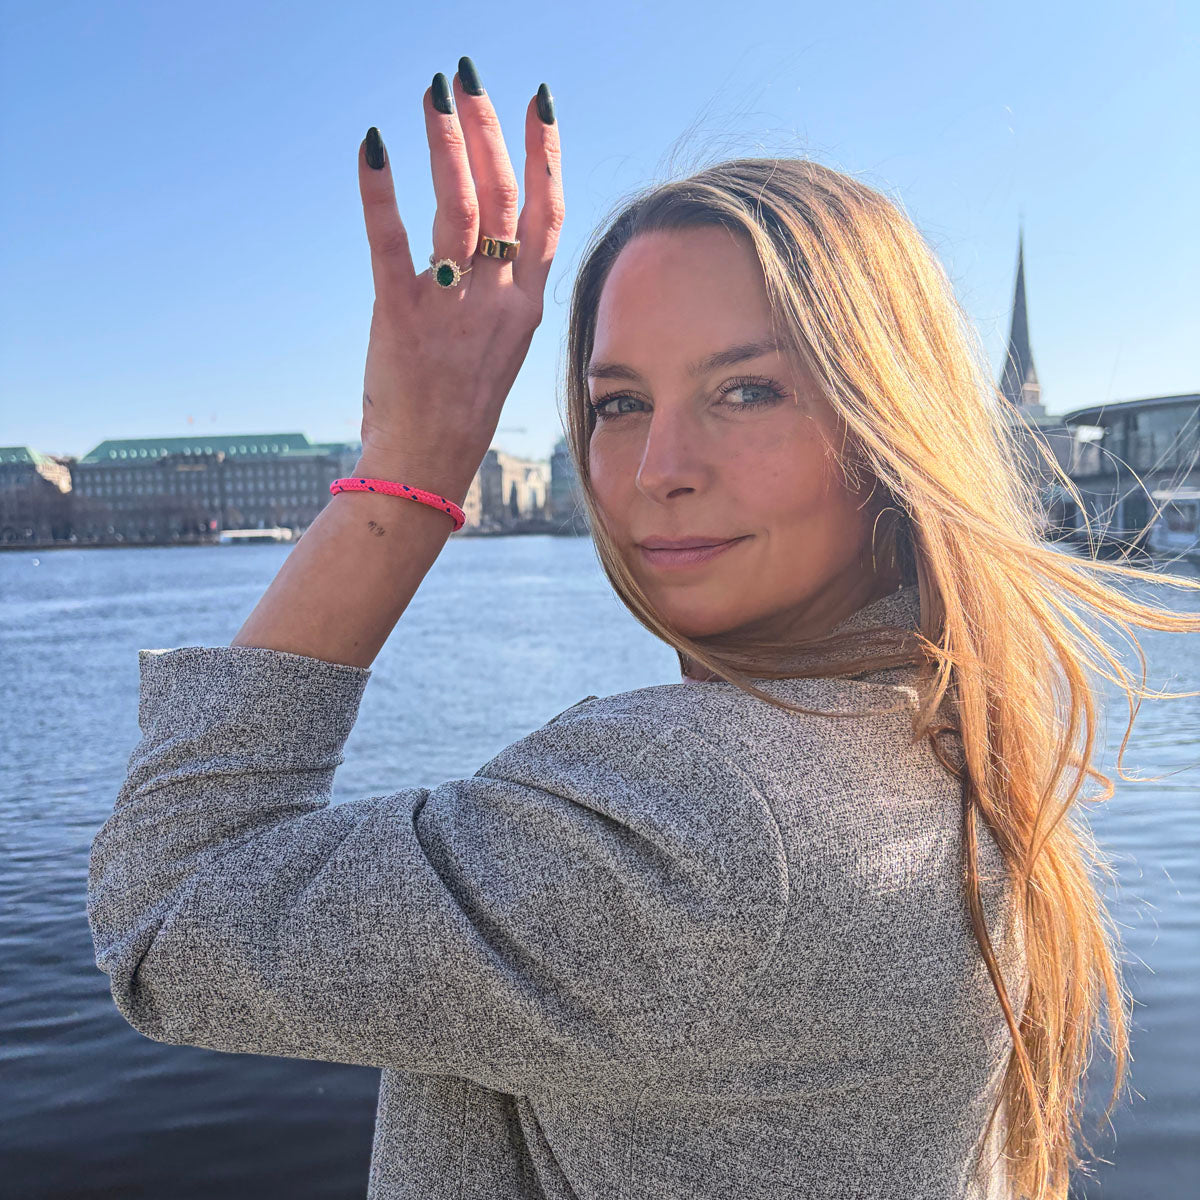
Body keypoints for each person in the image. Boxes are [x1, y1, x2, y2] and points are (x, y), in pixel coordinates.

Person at [86, 57, 1200, 1200]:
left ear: (887, 430)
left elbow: (165, 920)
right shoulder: (959, 748)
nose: (660, 470)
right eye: (620, 404)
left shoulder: (691, 816)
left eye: (748, 390)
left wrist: (412, 460)